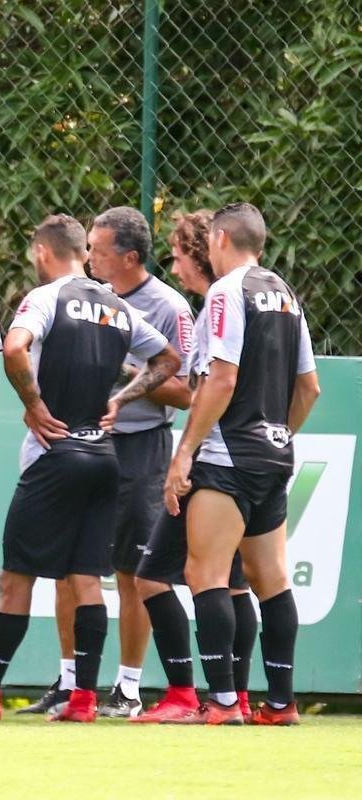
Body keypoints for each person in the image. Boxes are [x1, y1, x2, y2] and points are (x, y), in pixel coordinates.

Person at [0, 214, 180, 723]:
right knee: (86, 578)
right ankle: (85, 700)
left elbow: (14, 346)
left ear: (44, 253)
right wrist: (122, 398)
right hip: (103, 459)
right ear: (80, 252)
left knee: (15, 579)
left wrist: (34, 403)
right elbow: (169, 361)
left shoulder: (46, 298)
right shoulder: (116, 304)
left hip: (55, 457)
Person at [27, 207, 195, 719]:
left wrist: (122, 360)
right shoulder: (71, 295)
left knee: (130, 568)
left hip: (138, 447)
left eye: (98, 250)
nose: (89, 257)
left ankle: (127, 685)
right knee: (67, 566)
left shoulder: (166, 306)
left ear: (129, 257)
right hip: (77, 442)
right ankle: (71, 680)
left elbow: (185, 392)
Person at [164, 202, 319, 725]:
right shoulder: (285, 295)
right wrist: (277, 435)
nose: (206, 247)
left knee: (203, 572)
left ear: (224, 238)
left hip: (227, 456)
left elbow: (221, 379)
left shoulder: (228, 293)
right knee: (270, 578)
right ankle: (280, 703)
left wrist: (185, 451)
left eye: (210, 238)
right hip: (274, 455)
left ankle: (225, 702)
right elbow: (309, 387)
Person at [133, 209, 257, 723]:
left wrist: (185, 456)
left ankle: (190, 694)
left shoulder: (219, 306)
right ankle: (237, 695)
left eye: (180, 257)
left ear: (204, 254)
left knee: (154, 576)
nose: (176, 268)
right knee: (234, 581)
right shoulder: (244, 301)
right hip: (250, 459)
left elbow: (204, 390)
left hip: (216, 461)